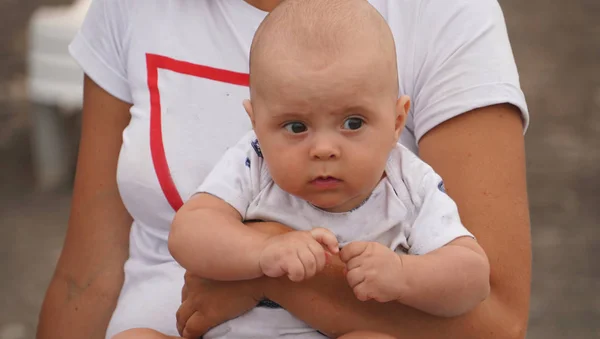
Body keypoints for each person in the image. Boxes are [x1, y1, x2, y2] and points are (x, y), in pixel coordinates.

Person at [36, 0, 531, 338]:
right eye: (294, 127)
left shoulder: (408, 181)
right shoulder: (252, 158)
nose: (322, 148)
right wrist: (264, 249)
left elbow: (486, 301)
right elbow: (94, 270)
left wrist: (399, 274)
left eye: (353, 123)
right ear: (255, 122)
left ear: (398, 118)